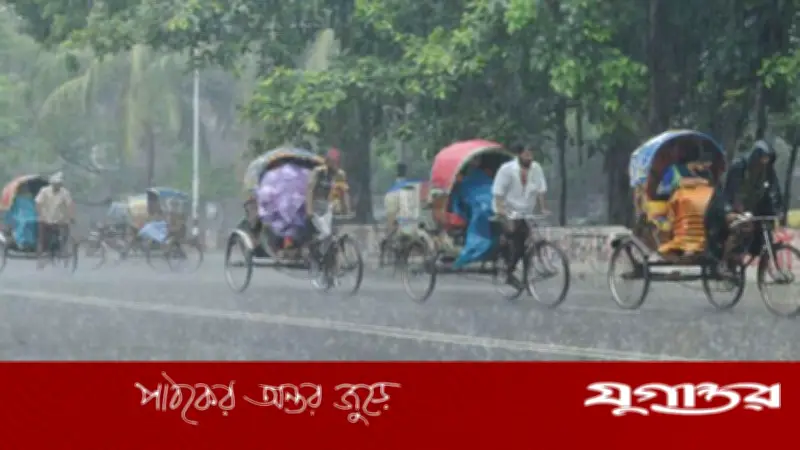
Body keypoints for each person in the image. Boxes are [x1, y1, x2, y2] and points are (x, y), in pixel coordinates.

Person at [710, 140, 784, 264]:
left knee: (764, 232)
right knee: (741, 228)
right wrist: (738, 211)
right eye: (763, 158)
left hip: (751, 210)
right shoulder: (739, 166)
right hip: (728, 207)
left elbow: (773, 191)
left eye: (767, 159)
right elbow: (732, 192)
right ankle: (724, 261)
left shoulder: (768, 171)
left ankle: (757, 259)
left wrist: (778, 210)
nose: (765, 162)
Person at [492, 143, 549, 288]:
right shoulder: (507, 170)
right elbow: (498, 192)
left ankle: (526, 278)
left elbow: (541, 190)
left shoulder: (536, 169)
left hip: (525, 211)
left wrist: (543, 208)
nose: (529, 158)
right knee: (515, 239)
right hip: (507, 209)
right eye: (526, 154)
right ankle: (507, 270)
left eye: (531, 154)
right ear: (519, 155)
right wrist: (501, 211)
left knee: (527, 245)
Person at [304, 148, 351, 247]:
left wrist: (345, 209)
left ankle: (323, 254)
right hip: (315, 205)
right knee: (326, 233)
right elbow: (310, 189)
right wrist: (309, 209)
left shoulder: (340, 174)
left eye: (335, 162)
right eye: (330, 161)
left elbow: (343, 192)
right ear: (326, 161)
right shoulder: (318, 172)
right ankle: (311, 246)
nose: (333, 164)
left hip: (326, 205)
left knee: (329, 236)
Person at [34, 172, 75, 268]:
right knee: (42, 240)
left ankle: (62, 252)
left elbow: (69, 205)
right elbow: (38, 203)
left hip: (60, 220)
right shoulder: (44, 191)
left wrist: (71, 216)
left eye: (59, 184)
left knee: (64, 236)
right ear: (52, 183)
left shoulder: (65, 192)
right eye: (56, 183)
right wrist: (41, 214)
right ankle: (40, 259)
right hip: (45, 219)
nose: (58, 185)